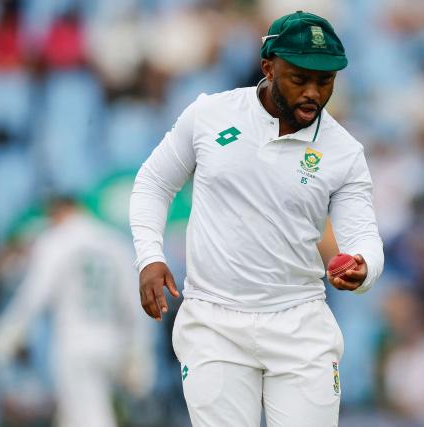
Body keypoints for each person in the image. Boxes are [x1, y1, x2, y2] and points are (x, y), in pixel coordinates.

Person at [129, 11, 384, 427]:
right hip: (213, 322)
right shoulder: (209, 115)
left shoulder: (344, 152)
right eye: (300, 78)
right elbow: (153, 183)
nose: (313, 94)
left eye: (325, 81)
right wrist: (149, 257)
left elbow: (363, 236)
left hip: (300, 326)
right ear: (269, 67)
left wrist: (363, 267)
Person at [0, 196, 154, 427]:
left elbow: (35, 294)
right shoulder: (114, 242)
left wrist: (6, 334)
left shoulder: (56, 241)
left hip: (75, 343)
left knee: (91, 419)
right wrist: (139, 351)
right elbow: (136, 302)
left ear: (59, 212)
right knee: (73, 418)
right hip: (112, 343)